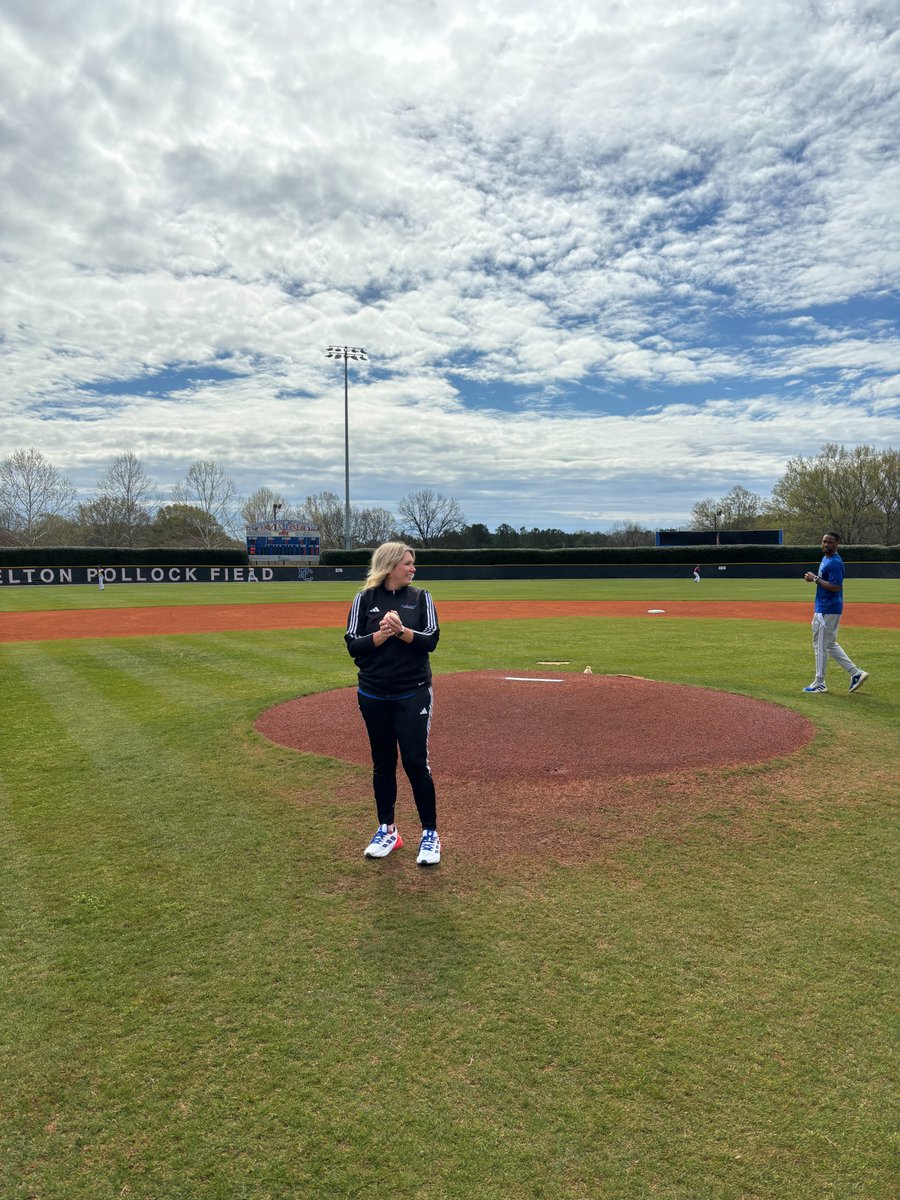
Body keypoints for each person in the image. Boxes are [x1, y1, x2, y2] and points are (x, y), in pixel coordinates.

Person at [344, 542, 442, 866]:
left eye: (413, 563)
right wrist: (382, 635)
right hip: (373, 693)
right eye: (408, 563)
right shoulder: (364, 600)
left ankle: (430, 834)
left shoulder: (421, 597)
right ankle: (388, 830)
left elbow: (431, 639)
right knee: (383, 763)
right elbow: (353, 645)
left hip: (412, 691)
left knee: (415, 762)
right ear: (389, 566)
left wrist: (401, 632)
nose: (413, 569)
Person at [802, 532, 869, 694]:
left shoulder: (835, 562)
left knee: (820, 646)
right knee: (829, 644)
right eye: (824, 541)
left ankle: (820, 682)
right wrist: (814, 579)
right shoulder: (826, 559)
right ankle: (855, 673)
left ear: (837, 543)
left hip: (828, 608)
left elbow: (835, 586)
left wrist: (815, 578)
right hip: (824, 607)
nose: (826, 545)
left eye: (829, 542)